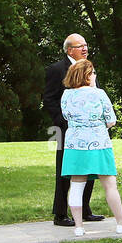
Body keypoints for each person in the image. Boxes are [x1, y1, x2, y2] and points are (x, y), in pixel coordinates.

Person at [59, 60, 122, 237]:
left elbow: (66, 116)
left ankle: (79, 227)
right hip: (99, 144)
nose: (95, 76)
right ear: (87, 75)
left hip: (74, 145)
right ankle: (121, 222)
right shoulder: (99, 94)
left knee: (76, 184)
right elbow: (111, 120)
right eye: (93, 73)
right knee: (109, 184)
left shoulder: (66, 95)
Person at [43, 34, 101, 227]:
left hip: (90, 131)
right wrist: (63, 122)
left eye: (86, 45)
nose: (85, 49)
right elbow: (49, 100)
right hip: (66, 130)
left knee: (89, 168)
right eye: (80, 46)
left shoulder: (89, 68)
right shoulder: (56, 69)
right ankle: (60, 214)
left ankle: (84, 210)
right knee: (64, 171)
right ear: (69, 50)